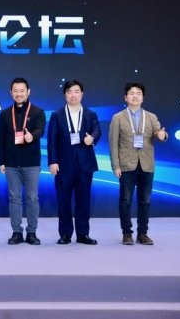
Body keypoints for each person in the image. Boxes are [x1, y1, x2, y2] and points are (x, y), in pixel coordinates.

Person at [109, 82, 168, 246]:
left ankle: (143, 234)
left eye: (138, 93)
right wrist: (116, 165)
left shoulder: (151, 117)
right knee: (125, 201)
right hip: (126, 165)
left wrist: (162, 135)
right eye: (132, 93)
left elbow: (159, 133)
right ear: (125, 97)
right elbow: (113, 144)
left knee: (145, 201)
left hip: (147, 165)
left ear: (143, 97)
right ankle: (127, 233)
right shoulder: (118, 118)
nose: (135, 96)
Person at [47, 79, 101, 245]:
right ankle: (65, 234)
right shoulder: (57, 115)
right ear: (65, 95)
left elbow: (97, 130)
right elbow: (51, 140)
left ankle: (83, 234)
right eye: (69, 92)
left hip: (85, 164)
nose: (73, 95)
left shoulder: (90, 114)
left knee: (83, 200)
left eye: (76, 91)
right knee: (63, 200)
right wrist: (53, 161)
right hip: (63, 165)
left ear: (82, 94)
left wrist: (92, 138)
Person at [0, 77, 46, 246]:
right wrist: (1, 161)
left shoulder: (37, 112)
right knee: (14, 198)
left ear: (28, 92)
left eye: (22, 90)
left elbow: (40, 129)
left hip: (31, 163)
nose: (19, 94)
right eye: (15, 91)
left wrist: (33, 136)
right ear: (11, 93)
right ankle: (16, 232)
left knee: (32, 198)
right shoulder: (5, 114)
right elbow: (0, 139)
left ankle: (32, 232)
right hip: (11, 163)